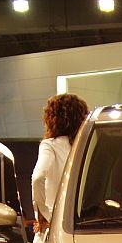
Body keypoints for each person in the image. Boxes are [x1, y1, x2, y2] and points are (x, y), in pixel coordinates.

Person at [31, 93, 89, 234]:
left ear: (52, 119)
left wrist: (47, 215)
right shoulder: (86, 145)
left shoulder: (50, 145)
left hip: (54, 228)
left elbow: (37, 178)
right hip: (83, 223)